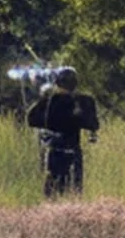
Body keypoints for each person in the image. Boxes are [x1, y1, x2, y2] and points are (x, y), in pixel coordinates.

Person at [26, 68, 99, 198]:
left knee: (52, 193)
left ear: (58, 83)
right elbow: (92, 124)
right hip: (74, 150)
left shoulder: (52, 101)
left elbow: (32, 119)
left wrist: (43, 97)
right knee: (75, 191)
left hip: (55, 151)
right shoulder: (83, 101)